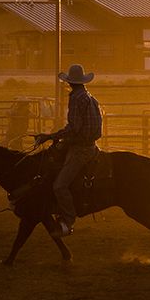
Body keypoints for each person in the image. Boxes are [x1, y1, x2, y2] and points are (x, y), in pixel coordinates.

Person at [35, 64, 103, 237]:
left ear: (70, 83)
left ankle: (67, 220)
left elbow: (74, 128)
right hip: (90, 145)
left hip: (80, 149)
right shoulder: (90, 97)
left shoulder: (76, 99)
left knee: (59, 185)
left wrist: (50, 136)